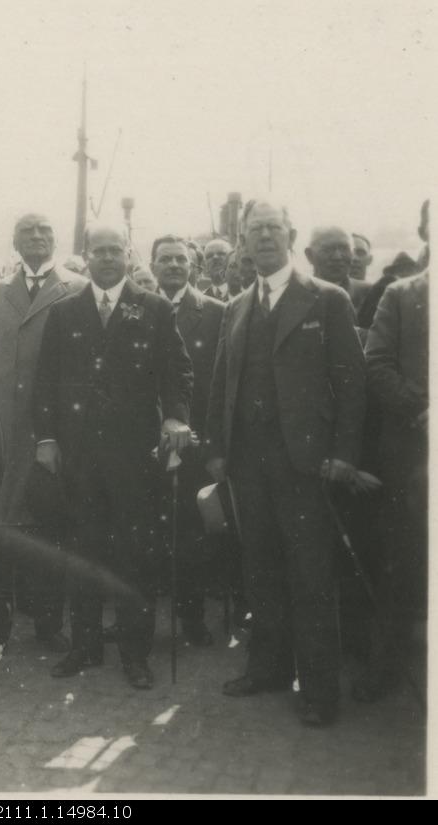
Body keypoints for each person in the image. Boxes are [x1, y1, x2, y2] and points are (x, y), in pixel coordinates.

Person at [205, 199, 366, 727]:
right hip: (249, 463)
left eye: (274, 228)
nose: (265, 238)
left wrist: (343, 453)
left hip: (306, 464)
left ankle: (319, 690)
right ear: (244, 243)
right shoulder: (238, 307)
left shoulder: (327, 299)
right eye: (255, 231)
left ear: (292, 235)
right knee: (262, 569)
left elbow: (351, 385)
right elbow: (222, 383)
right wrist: (218, 450)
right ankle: (268, 668)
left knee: (312, 576)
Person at [34, 222, 193, 689]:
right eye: (98, 251)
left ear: (128, 255)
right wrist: (45, 438)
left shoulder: (155, 308)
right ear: (86, 256)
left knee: (134, 556)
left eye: (115, 251)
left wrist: (175, 417)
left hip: (133, 457)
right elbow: (45, 380)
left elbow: (177, 372)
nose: (107, 258)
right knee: (84, 552)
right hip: (79, 457)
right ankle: (85, 648)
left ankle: (134, 653)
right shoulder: (65, 312)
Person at [0, 213, 84, 662]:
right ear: (13, 241)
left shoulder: (78, 290)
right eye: (27, 230)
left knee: (48, 535)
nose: (36, 236)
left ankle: (49, 627)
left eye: (44, 230)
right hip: (0, 437)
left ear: (56, 239)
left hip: (50, 437)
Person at [355, 243, 428, 701]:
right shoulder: (403, 295)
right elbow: (376, 364)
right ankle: (388, 673)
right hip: (412, 453)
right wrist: (423, 409)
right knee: (402, 565)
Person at [151, 234, 224, 645]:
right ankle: (137, 622)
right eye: (166, 259)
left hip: (194, 443)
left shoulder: (216, 312)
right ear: (153, 264)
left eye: (181, 259)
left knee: (191, 537)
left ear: (192, 266)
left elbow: (220, 385)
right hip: (144, 440)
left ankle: (192, 620)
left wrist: (212, 445)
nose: (174, 265)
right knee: (144, 532)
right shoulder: (138, 305)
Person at [305, 226, 371, 317]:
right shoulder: (296, 295)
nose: (337, 257)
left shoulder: (369, 293)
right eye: (327, 249)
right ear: (309, 255)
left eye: (344, 249)